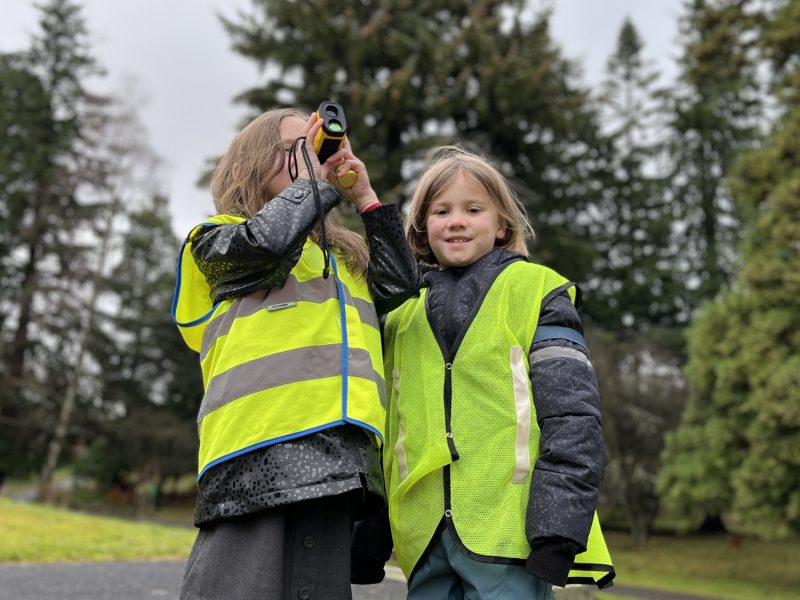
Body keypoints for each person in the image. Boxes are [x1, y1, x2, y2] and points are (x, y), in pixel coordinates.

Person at [172, 108, 419, 600]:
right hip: (253, 458)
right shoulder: (216, 240)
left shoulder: (343, 262)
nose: (312, 155)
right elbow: (264, 247)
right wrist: (314, 180)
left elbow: (401, 292)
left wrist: (365, 198)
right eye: (296, 146)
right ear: (251, 164)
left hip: (339, 463)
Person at [381, 147, 615, 599]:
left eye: (473, 209)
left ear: (502, 223)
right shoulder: (401, 316)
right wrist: (370, 536)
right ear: (422, 229)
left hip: (511, 532)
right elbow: (389, 431)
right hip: (424, 537)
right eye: (441, 211)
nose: (456, 221)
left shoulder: (538, 292)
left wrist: (557, 532)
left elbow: (574, 417)